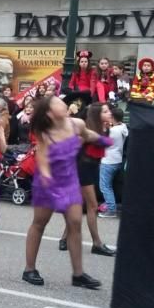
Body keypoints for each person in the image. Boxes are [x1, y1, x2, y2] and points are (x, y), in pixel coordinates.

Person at [21, 96, 112, 289]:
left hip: (70, 181)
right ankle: (29, 269)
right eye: (57, 102)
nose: (63, 102)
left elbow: (88, 135)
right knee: (39, 223)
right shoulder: (44, 133)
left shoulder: (76, 123)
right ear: (49, 113)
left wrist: (104, 140)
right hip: (48, 184)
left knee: (75, 223)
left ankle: (78, 274)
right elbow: (43, 161)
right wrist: (46, 179)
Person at [57, 102, 117, 258]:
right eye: (105, 111)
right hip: (81, 168)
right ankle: (96, 243)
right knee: (92, 206)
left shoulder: (106, 129)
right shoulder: (88, 131)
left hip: (92, 168)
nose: (109, 113)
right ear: (98, 115)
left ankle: (64, 238)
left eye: (109, 111)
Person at [98, 106, 127, 218]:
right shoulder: (123, 127)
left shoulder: (112, 131)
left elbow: (100, 140)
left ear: (113, 117)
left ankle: (111, 209)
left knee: (105, 186)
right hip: (118, 159)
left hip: (108, 161)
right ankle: (111, 205)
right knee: (111, 185)